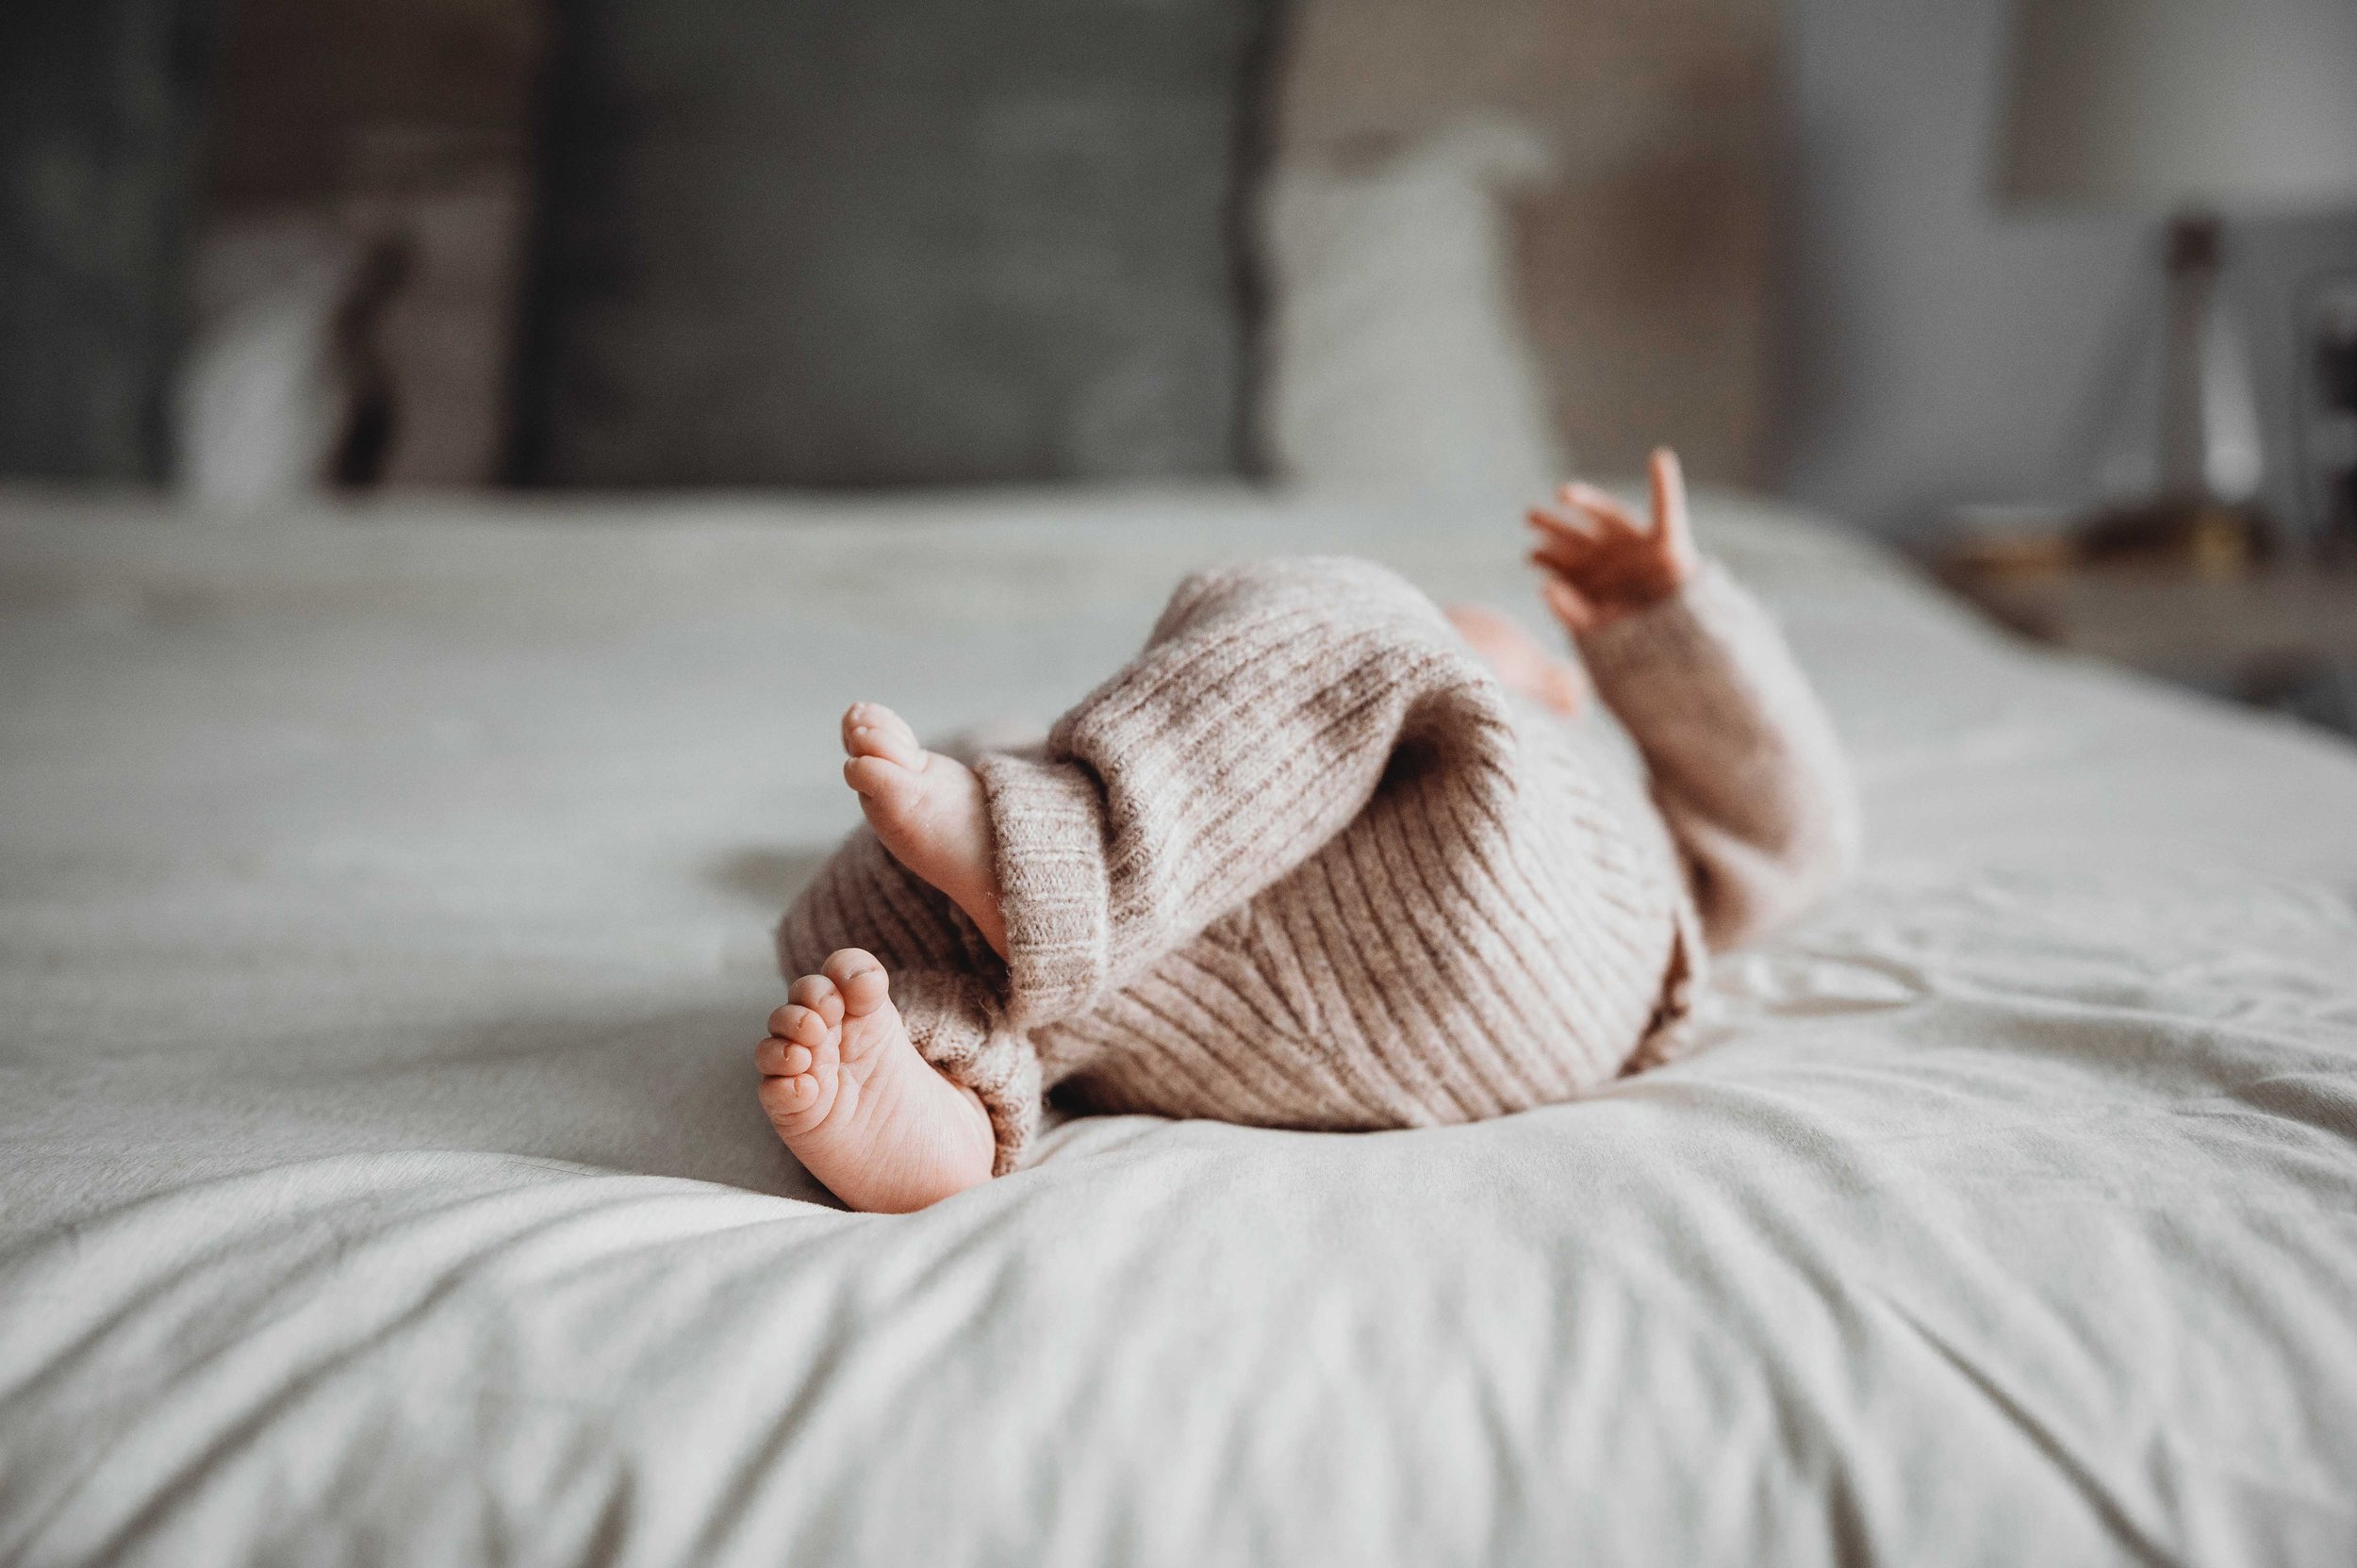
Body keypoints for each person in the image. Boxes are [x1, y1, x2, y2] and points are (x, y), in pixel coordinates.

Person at [758, 449, 1860, 1212]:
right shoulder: (1229, 783)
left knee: (1350, 597)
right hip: (1305, 1022)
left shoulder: (1545, 772)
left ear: (1557, 697)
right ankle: (941, 1110)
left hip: (1508, 931)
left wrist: (1674, 628)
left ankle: (1053, 853)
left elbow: (1793, 832)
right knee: (899, 927)